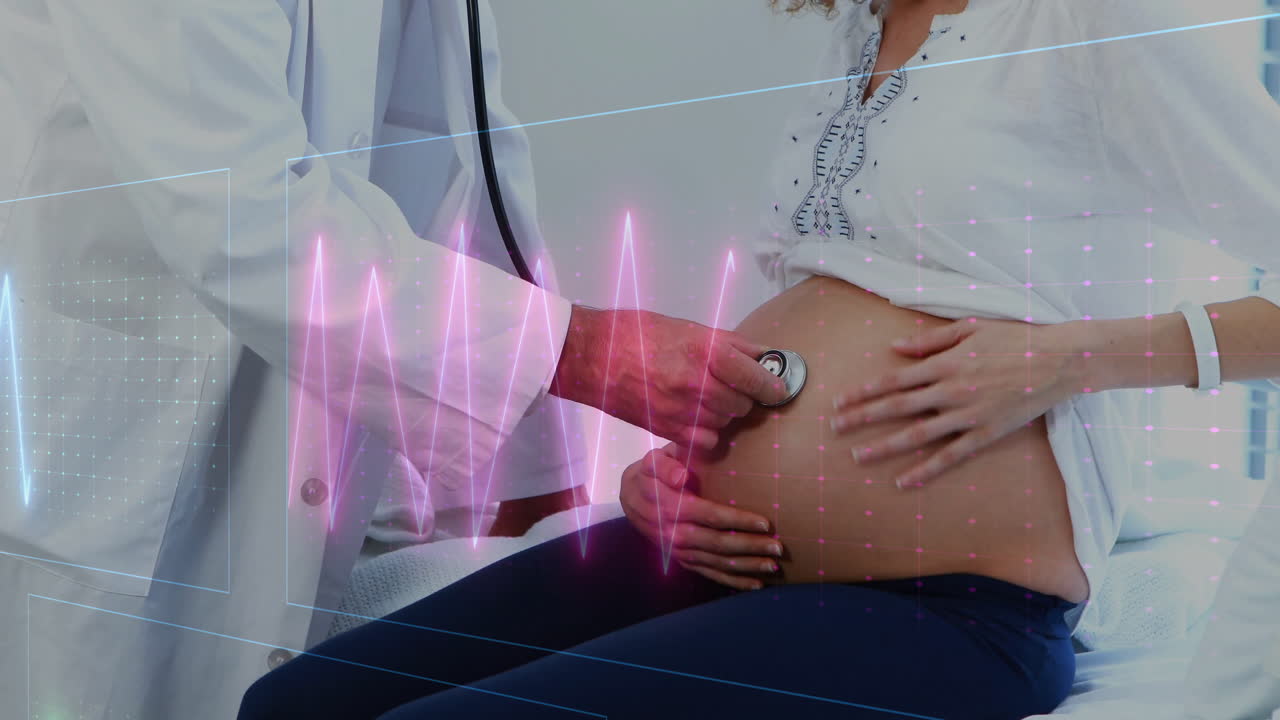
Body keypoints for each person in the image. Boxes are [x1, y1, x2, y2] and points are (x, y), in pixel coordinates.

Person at [238, 0, 1280, 718]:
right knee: (297, 706)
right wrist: (681, 471)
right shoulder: (865, 22)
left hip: (949, 607)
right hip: (717, 557)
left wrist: (1062, 361)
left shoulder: (1098, 18)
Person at [0, 1, 786, 717]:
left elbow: (464, 159)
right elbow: (236, 211)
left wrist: (542, 489)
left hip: (333, 459)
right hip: (127, 441)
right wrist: (581, 354)